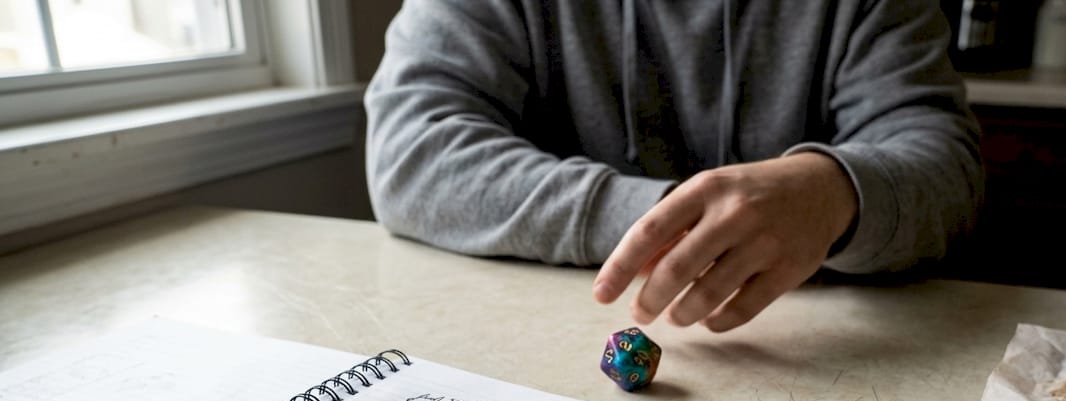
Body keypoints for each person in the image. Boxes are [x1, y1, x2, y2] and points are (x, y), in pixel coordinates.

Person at [364, 0, 983, 332]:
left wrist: (833, 192)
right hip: (547, 354)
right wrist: (668, 219)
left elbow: (948, 167)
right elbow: (412, 152)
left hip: (826, 358)